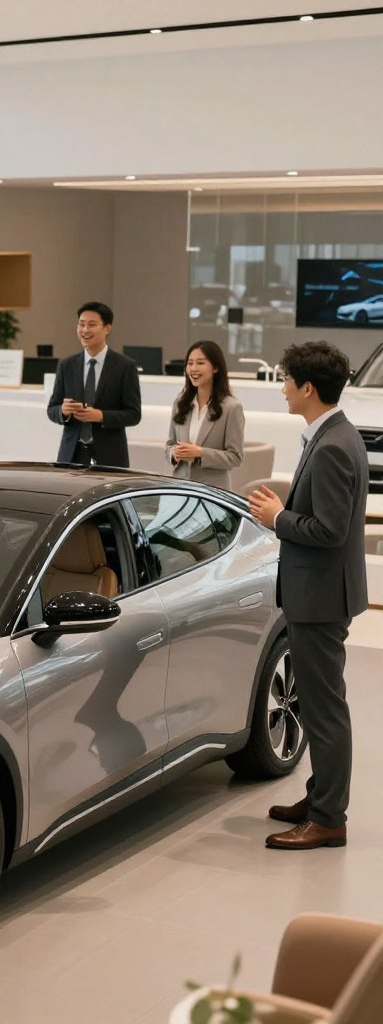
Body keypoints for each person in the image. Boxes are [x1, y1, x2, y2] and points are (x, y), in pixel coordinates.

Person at [248, 341, 368, 851]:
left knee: (324, 709)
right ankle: (320, 795)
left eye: (287, 381)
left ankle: (328, 817)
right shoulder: (332, 435)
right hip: (317, 593)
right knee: (320, 703)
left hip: (320, 597)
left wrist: (278, 517)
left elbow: (329, 531)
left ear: (308, 388)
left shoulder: (334, 444)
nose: (283, 390)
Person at [46, 302, 141, 467]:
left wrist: (101, 416)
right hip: (71, 455)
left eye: (92, 325)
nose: (85, 330)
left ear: (107, 328)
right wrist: (63, 411)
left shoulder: (125, 366)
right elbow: (52, 409)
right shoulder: (66, 365)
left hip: (110, 456)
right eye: (81, 324)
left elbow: (133, 414)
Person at [164, 340, 245, 490]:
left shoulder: (232, 407)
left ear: (215, 368)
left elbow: (235, 457)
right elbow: (169, 445)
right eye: (190, 363)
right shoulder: (180, 404)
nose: (193, 369)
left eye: (200, 363)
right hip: (179, 489)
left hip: (212, 493)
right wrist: (175, 453)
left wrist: (200, 454)